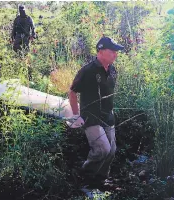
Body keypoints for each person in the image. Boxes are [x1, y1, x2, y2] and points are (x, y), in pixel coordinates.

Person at [68, 37, 124, 186]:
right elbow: (72, 92)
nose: (115, 54)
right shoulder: (88, 70)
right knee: (102, 149)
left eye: (116, 52)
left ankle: (100, 179)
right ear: (101, 51)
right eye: (112, 51)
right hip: (91, 117)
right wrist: (76, 115)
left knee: (111, 151)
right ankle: (84, 179)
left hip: (108, 116)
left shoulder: (112, 70)